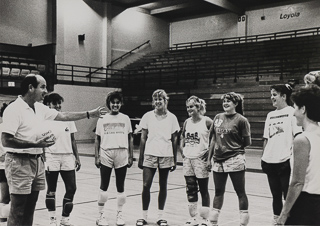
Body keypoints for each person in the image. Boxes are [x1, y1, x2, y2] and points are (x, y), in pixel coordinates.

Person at [1, 74, 105, 226]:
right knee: (18, 209)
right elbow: (6, 140)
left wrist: (89, 114)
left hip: (37, 162)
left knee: (30, 208)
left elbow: (63, 115)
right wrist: (36, 144)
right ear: (31, 88)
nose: (46, 91)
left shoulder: (39, 108)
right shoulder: (13, 109)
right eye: (42, 87)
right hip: (19, 162)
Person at [276, 85, 320, 225]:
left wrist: (283, 214)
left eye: (295, 107)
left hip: (306, 204)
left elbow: (297, 183)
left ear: (303, 109)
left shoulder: (302, 139)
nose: (293, 113)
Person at [136, 89, 180, 226]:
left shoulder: (172, 118)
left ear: (166, 100)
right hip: (150, 154)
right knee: (146, 185)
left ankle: (161, 216)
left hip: (166, 155)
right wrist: (140, 157)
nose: (157, 101)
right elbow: (143, 138)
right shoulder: (147, 116)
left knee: (163, 186)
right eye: (155, 99)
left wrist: (174, 158)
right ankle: (143, 216)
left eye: (160, 98)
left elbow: (174, 139)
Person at [207, 92, 251, 226]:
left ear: (236, 104)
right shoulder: (218, 117)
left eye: (229, 101)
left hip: (235, 159)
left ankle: (243, 223)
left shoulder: (241, 120)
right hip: (218, 160)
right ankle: (213, 221)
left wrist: (233, 148)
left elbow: (247, 141)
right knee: (218, 191)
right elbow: (213, 138)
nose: (225, 103)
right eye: (224, 101)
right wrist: (209, 159)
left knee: (240, 192)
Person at [261, 84, 302, 225]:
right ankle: (276, 220)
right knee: (275, 195)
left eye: (274, 94)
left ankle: (290, 221)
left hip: (285, 160)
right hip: (269, 160)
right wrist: (264, 156)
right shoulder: (270, 115)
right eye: (271, 94)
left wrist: (293, 159)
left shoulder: (292, 112)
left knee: (288, 195)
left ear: (283, 96)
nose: (271, 97)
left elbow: (297, 136)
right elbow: (266, 138)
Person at [94, 91, 133, 226]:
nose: (115, 105)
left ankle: (120, 214)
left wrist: (131, 156)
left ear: (120, 104)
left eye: (118, 103)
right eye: (113, 102)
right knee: (104, 186)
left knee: (120, 186)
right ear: (109, 104)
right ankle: (101, 215)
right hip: (106, 153)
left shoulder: (126, 118)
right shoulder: (102, 119)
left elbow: (130, 137)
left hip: (122, 153)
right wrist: (96, 156)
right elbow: (97, 138)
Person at [42, 93, 81, 226]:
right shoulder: (44, 120)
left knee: (72, 188)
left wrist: (77, 157)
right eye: (55, 103)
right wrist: (43, 157)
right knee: (51, 189)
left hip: (68, 157)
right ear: (48, 104)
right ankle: (52, 219)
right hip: (51, 157)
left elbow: (73, 139)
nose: (58, 106)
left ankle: (65, 218)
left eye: (59, 103)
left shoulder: (68, 119)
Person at [179, 96, 213, 226]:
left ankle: (205, 219)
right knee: (191, 189)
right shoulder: (187, 122)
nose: (189, 109)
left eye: (191, 106)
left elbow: (215, 139)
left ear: (198, 107)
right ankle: (193, 217)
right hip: (188, 159)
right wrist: (182, 150)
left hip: (200, 159)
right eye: (187, 107)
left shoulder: (207, 121)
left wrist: (210, 155)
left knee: (203, 189)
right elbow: (182, 137)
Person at [0, 103, 11, 226]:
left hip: (16, 166)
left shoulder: (16, 127)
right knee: (4, 196)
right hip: (2, 167)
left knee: (17, 197)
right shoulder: (1, 127)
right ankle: (2, 220)